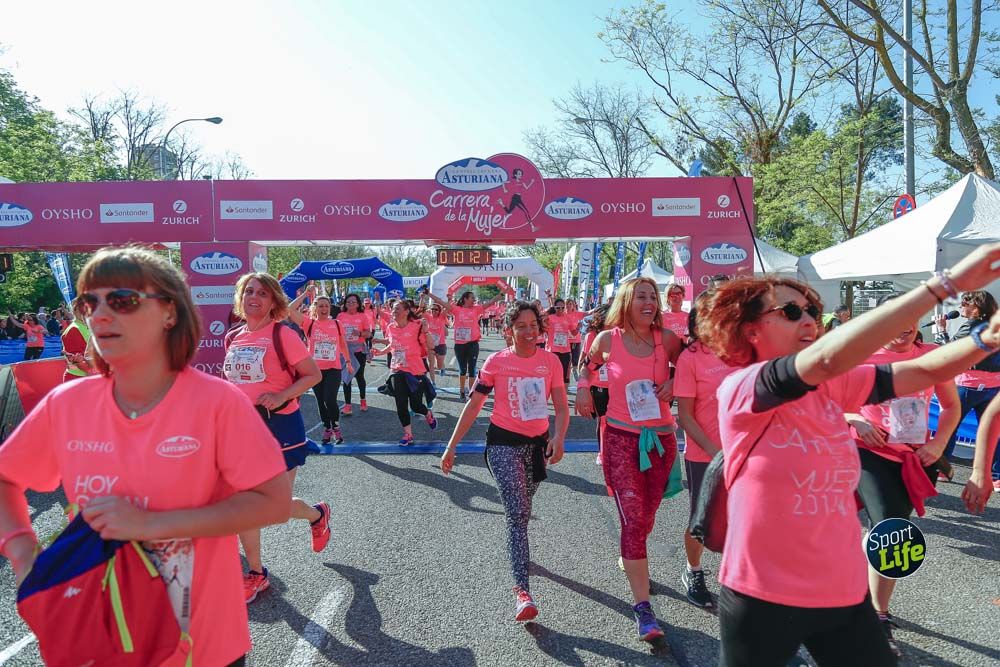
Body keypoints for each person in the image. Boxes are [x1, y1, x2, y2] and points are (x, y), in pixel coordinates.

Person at [697, 246, 1000, 667]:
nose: (806, 319)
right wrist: (943, 287)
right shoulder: (743, 389)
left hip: (841, 590)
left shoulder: (834, 385)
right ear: (750, 331)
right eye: (789, 312)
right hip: (762, 593)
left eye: (810, 310)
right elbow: (824, 358)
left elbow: (928, 371)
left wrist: (986, 338)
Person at [0, 246, 292, 666]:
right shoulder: (67, 403)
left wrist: (152, 524)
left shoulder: (216, 403)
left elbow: (275, 501)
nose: (99, 314)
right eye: (89, 302)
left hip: (204, 644)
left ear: (169, 313)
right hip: (101, 639)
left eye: (122, 300)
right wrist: (23, 554)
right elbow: (5, 477)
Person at [841, 292, 960, 657]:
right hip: (868, 452)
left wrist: (938, 446)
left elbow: (952, 406)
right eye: (895, 320)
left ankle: (874, 608)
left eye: (910, 319)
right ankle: (877, 616)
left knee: (892, 535)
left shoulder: (929, 357)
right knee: (892, 531)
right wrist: (856, 419)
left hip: (912, 457)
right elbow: (829, 404)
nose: (904, 329)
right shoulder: (860, 356)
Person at [440, 301, 568, 621]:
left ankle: (518, 550)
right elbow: (473, 407)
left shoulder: (550, 361)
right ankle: (522, 591)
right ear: (508, 330)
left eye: (533, 326)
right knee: (516, 511)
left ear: (540, 329)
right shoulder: (496, 362)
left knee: (523, 511)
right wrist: (451, 446)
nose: (528, 332)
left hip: (537, 446)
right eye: (520, 326)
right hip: (502, 445)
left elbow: (563, 408)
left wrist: (559, 437)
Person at [573, 277, 683, 642]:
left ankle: (631, 553)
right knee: (633, 519)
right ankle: (643, 608)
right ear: (626, 301)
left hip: (661, 440)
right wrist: (585, 389)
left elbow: (694, 367)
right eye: (641, 296)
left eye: (653, 296)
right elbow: (585, 368)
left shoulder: (667, 341)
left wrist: (676, 384)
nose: (649, 302)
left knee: (647, 515)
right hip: (620, 437)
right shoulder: (608, 339)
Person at [223, 272, 329, 604]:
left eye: (263, 294)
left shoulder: (283, 334)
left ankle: (316, 515)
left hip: (280, 426)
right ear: (241, 298)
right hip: (244, 428)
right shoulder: (233, 338)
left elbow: (314, 374)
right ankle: (256, 573)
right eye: (249, 291)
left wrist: (283, 395)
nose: (255, 297)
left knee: (275, 507)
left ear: (273, 302)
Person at [672, 293, 734, 609]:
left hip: (743, 454)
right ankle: (693, 571)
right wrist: (715, 452)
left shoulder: (742, 353)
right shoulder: (690, 358)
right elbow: (685, 415)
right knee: (702, 520)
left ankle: (738, 580)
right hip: (704, 455)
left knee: (742, 518)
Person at [935, 290, 1000, 481]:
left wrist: (941, 330)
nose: (960, 307)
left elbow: (949, 352)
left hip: (966, 386)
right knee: (992, 430)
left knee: (949, 427)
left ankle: (944, 471)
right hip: (993, 387)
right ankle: (996, 476)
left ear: (976, 307)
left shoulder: (970, 326)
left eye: (965, 304)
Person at [288, 285, 350, 445]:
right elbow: (290, 310)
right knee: (321, 401)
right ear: (315, 308)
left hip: (333, 368)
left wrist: (348, 362)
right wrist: (305, 295)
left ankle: (336, 426)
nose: (324, 308)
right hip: (315, 370)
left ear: (330, 308)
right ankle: (327, 428)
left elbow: (342, 344)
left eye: (327, 306)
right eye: (320, 305)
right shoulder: (309, 323)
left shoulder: (336, 324)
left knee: (330, 399)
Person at [371, 299, 437, 445]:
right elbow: (392, 345)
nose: (394, 311)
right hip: (397, 369)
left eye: (397, 309)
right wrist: (380, 352)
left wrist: (426, 330)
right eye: (393, 309)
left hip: (415, 371)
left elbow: (431, 345)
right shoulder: (390, 327)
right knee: (401, 404)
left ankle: (427, 413)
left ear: (406, 311)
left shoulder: (417, 326)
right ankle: (408, 435)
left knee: (415, 406)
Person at [427, 290, 504, 400]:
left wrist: (502, 293)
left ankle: (471, 391)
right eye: (472, 298)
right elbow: (440, 302)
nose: (474, 300)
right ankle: (462, 390)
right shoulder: (456, 309)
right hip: (460, 345)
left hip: (473, 344)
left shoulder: (476, 309)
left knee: (472, 369)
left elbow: (491, 302)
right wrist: (428, 293)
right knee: (463, 369)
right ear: (465, 299)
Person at [577, 304, 611, 465]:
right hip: (597, 384)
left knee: (615, 420)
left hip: (615, 384)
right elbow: (585, 359)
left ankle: (615, 450)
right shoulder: (592, 336)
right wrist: (582, 383)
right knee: (602, 420)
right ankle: (602, 452)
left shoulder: (619, 334)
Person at [337, 294, 373, 414]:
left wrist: (360, 333)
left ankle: (363, 400)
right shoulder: (340, 316)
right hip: (345, 350)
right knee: (346, 377)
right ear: (345, 304)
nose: (351, 304)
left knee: (359, 376)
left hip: (358, 350)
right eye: (348, 302)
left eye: (353, 302)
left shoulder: (362, 316)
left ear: (358, 304)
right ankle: (348, 406)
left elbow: (369, 334)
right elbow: (336, 332)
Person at [545, 298, 575, 384]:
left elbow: (574, 333)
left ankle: (564, 395)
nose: (560, 310)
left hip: (565, 350)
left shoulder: (568, 318)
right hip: (553, 350)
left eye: (562, 307)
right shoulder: (549, 318)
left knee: (565, 376)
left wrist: (579, 327)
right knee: (552, 374)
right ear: (554, 308)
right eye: (558, 308)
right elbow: (542, 327)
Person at [61, 308, 94, 381]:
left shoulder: (86, 326)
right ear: (74, 311)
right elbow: (76, 360)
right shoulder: (74, 329)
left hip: (85, 377)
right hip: (80, 378)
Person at [423, 301, 449, 376]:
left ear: (439, 311)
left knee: (439, 366)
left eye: (436, 309)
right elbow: (420, 310)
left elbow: (447, 307)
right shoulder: (428, 317)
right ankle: (433, 382)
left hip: (440, 344)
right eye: (432, 309)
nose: (434, 311)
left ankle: (442, 367)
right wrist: (422, 298)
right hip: (430, 345)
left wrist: (449, 299)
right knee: (431, 365)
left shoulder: (442, 317)